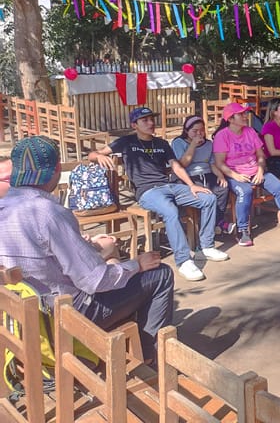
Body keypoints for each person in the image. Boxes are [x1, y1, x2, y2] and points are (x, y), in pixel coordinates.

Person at [2, 136, 174, 365]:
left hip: (22, 315)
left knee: (115, 262)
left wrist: (85, 244)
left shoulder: (5, 206)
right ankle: (149, 357)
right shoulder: (48, 212)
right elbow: (95, 281)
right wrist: (137, 264)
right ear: (56, 169)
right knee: (160, 274)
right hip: (67, 315)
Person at [90, 107, 225, 283]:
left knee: (209, 198)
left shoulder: (161, 143)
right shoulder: (126, 141)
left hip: (169, 186)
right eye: (145, 120)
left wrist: (192, 185)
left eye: (151, 119)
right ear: (134, 125)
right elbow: (93, 153)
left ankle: (206, 246)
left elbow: (176, 166)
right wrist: (98, 156)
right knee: (170, 211)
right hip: (147, 191)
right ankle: (184, 261)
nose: (151, 123)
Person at [213, 103, 280, 246]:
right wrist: (235, 176)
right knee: (245, 191)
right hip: (235, 173)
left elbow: (260, 155)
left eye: (245, 113)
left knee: (279, 187)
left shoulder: (250, 131)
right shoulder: (222, 136)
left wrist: (260, 170)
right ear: (230, 119)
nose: (245, 116)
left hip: (256, 170)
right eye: (241, 114)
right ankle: (242, 230)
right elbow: (219, 162)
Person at [171, 115, 232, 235]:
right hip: (188, 176)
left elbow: (212, 164)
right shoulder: (178, 143)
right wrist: (193, 145)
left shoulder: (208, 144)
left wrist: (220, 175)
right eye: (194, 131)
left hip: (206, 174)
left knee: (223, 188)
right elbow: (182, 164)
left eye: (202, 130)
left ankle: (216, 222)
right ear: (186, 130)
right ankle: (209, 226)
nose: (199, 133)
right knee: (206, 194)